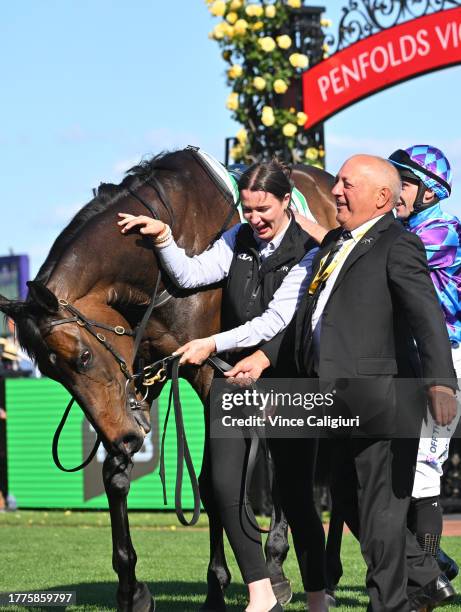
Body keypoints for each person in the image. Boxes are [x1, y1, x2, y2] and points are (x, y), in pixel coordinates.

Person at [226, 155, 458, 611]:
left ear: (381, 198)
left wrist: (440, 383)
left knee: (380, 515)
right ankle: (426, 578)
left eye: (347, 185)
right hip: (333, 398)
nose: (335, 191)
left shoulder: (398, 243)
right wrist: (264, 357)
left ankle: (391, 602)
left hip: (385, 395)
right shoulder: (336, 242)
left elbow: (426, 316)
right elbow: (304, 320)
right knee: (351, 506)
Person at [118, 160, 328, 612]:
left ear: (287, 201)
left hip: (288, 380)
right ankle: (260, 592)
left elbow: (274, 321)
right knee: (220, 485)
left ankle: (317, 600)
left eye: (263, 210)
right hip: (234, 381)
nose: (254, 220)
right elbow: (191, 275)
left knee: (295, 496)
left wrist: (209, 341)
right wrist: (164, 240)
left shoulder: (309, 249)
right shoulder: (239, 238)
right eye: (248, 210)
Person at [389, 145, 461, 579]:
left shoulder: (439, 230)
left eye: (406, 181)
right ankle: (429, 562)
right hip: (415, 357)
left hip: (446, 360)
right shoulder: (410, 225)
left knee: (425, 467)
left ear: (430, 193)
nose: (396, 189)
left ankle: (429, 563)